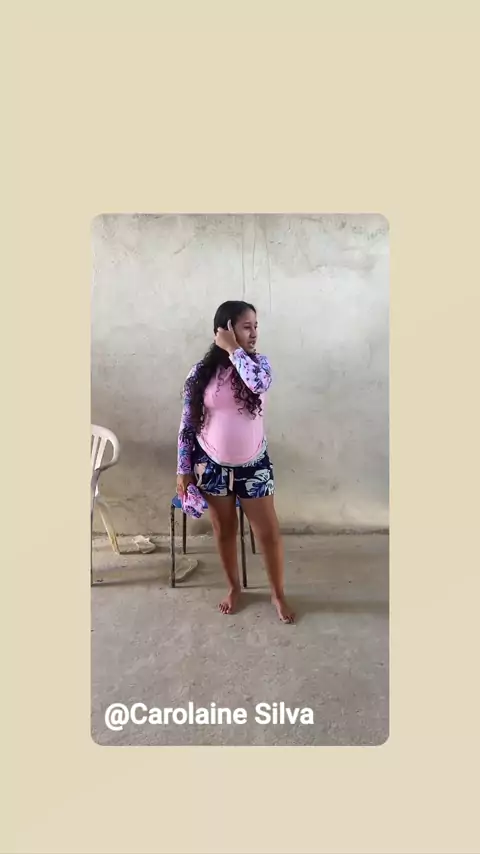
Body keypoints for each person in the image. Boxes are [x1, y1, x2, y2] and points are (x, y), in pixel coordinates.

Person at [176, 300, 295, 623]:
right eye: (246, 326)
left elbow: (258, 385)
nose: (254, 333)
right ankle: (233, 588)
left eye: (256, 326)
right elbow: (187, 423)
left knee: (268, 533)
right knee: (224, 531)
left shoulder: (260, 366)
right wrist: (183, 469)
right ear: (225, 329)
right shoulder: (200, 373)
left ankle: (277, 594)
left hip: (254, 465)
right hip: (212, 465)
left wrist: (233, 349)